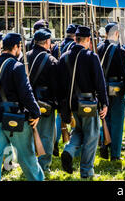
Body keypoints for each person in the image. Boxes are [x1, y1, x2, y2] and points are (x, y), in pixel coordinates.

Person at [0, 33, 44, 181]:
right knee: (27, 156)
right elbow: (26, 93)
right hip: (15, 117)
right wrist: (36, 112)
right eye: (20, 47)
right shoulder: (17, 67)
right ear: (16, 47)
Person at [57, 26, 108, 179]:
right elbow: (100, 82)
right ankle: (86, 171)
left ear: (75, 39)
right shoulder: (91, 56)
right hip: (88, 104)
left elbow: (60, 85)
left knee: (78, 131)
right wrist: (104, 103)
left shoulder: (64, 57)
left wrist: (63, 107)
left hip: (71, 104)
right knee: (91, 136)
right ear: (87, 40)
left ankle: (69, 150)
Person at [25, 28, 59, 173]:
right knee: (46, 135)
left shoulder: (25, 57)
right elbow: (56, 85)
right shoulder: (51, 60)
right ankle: (43, 166)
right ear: (47, 42)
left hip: (27, 101)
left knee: (28, 135)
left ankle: (31, 165)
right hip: (45, 103)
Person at [97, 22, 125, 161]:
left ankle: (104, 144)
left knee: (105, 117)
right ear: (116, 33)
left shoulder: (99, 48)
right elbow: (124, 72)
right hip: (116, 87)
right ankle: (115, 154)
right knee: (117, 121)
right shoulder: (120, 50)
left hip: (102, 87)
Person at [52, 23, 78, 157]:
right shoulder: (74, 46)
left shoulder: (58, 45)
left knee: (60, 115)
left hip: (60, 85)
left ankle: (54, 141)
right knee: (75, 118)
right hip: (73, 85)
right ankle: (74, 144)